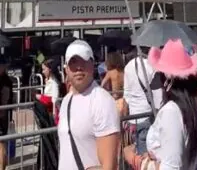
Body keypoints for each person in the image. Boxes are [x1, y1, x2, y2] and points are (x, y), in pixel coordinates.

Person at [124, 39, 197, 170]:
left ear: (167, 80)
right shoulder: (194, 110)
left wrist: (137, 161)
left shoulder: (171, 112)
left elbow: (171, 167)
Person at [57, 40, 120, 170]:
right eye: (73, 62)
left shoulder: (102, 101)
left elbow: (109, 166)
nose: (78, 68)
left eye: (83, 61)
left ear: (92, 65)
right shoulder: (66, 101)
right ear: (67, 69)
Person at [123, 48, 163, 156]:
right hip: (148, 116)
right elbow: (158, 95)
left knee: (139, 155)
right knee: (148, 157)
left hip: (133, 118)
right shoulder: (152, 66)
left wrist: (124, 117)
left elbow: (126, 95)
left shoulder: (128, 66)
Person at [36, 57, 66, 123]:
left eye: (44, 69)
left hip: (54, 115)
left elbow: (54, 99)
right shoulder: (50, 81)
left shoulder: (53, 82)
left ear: (49, 69)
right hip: (50, 112)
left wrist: (40, 97)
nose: (42, 72)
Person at [0, 56, 12, 170]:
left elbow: (7, 100)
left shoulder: (6, 81)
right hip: (4, 116)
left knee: (1, 145)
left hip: (2, 117)